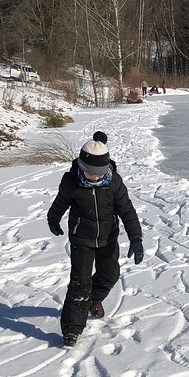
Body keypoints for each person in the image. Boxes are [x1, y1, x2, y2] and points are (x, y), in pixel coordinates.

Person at [47, 131, 144, 347]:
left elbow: (127, 210)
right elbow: (60, 202)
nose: (97, 178)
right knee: (80, 283)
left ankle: (93, 300)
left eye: (100, 173)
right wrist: (53, 220)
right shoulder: (71, 182)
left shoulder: (114, 182)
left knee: (110, 275)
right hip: (81, 238)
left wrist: (135, 237)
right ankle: (72, 328)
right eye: (92, 174)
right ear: (82, 167)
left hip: (108, 238)